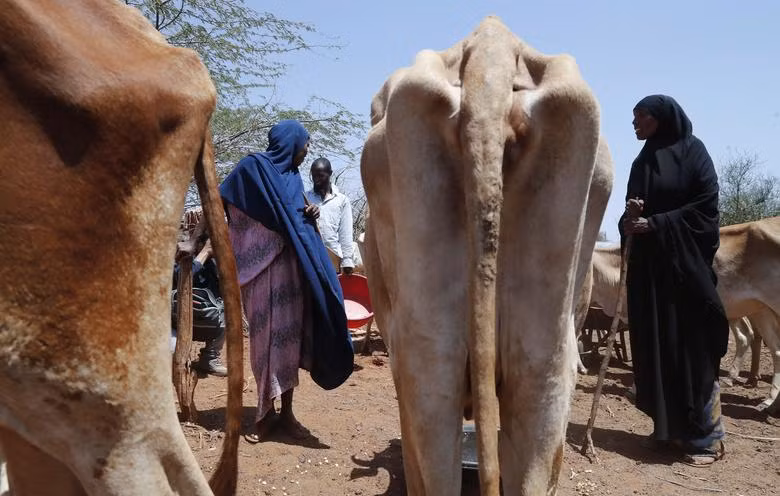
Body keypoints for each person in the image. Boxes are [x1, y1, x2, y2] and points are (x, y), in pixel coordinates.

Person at [219, 120, 353, 443]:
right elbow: (231, 211)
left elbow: (295, 222)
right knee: (265, 342)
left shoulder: (293, 179)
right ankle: (265, 414)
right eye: (304, 145)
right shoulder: (252, 168)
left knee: (289, 341)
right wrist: (268, 235)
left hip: (291, 274)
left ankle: (287, 414)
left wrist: (310, 217)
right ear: (290, 142)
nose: (306, 153)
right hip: (262, 272)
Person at [620, 95, 728, 466]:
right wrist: (631, 219)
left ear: (661, 118)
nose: (634, 124)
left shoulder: (694, 153)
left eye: (640, 118)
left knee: (693, 352)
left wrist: (658, 223)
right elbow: (631, 213)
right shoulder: (642, 161)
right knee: (657, 351)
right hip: (652, 278)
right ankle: (666, 431)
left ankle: (706, 439)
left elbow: (706, 207)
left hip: (686, 274)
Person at [171, 238, 228, 377]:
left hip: (207, 323)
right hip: (176, 324)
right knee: (172, 358)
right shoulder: (182, 254)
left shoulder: (217, 263)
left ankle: (209, 358)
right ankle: (177, 356)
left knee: (229, 310)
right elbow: (179, 276)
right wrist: (203, 253)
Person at [305, 157, 356, 275]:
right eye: (314, 176)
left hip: (333, 260)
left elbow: (345, 233)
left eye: (321, 176)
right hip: (310, 258)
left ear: (330, 174)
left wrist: (347, 260)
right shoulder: (306, 198)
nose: (316, 180)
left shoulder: (342, 201)